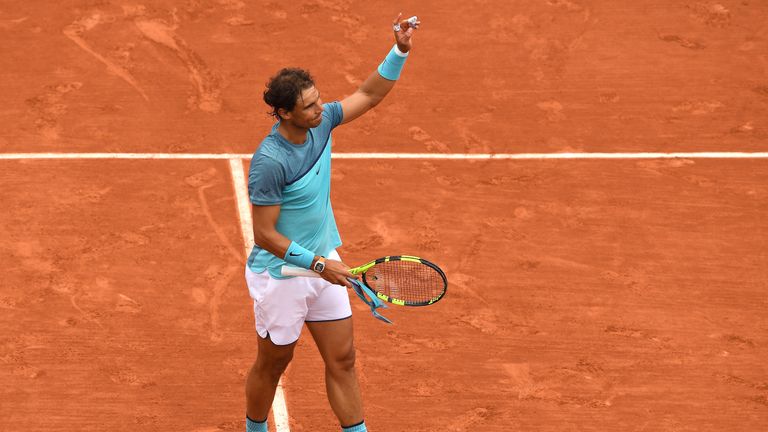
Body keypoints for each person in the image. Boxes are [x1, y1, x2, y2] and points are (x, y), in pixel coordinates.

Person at [243, 13, 420, 432]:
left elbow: (369, 94)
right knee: (273, 365)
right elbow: (265, 235)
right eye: (309, 106)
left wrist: (399, 50)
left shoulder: (322, 125)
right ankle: (254, 428)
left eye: (319, 99)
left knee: (342, 359)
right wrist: (321, 265)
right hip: (282, 275)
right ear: (284, 113)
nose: (321, 109)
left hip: (323, 263)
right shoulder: (270, 162)